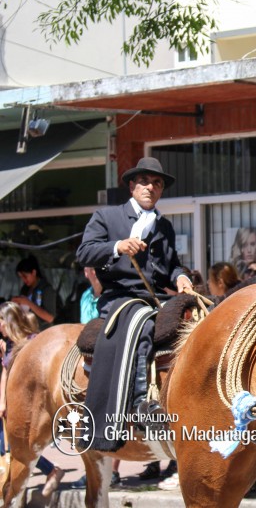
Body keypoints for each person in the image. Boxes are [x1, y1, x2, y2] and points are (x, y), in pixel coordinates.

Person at [76, 157, 192, 450]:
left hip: (155, 298)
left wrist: (181, 278)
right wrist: (117, 246)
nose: (150, 187)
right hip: (119, 298)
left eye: (157, 183)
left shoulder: (164, 227)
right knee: (142, 324)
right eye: (144, 182)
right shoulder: (107, 217)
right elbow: (84, 253)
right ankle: (141, 402)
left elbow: (170, 267)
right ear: (132, 185)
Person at [0, 302, 65, 497]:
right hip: (13, 402)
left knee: (18, 446)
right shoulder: (9, 344)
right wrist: (3, 401)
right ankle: (13, 482)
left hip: (31, 405)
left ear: (8, 321)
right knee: (10, 445)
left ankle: (50, 471)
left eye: (0, 320)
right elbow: (5, 373)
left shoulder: (32, 342)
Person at [12, 255, 58, 330]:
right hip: (27, 331)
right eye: (21, 277)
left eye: (25, 276)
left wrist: (28, 303)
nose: (24, 280)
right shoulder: (25, 289)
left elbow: (50, 318)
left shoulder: (46, 289)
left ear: (34, 272)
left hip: (43, 332)